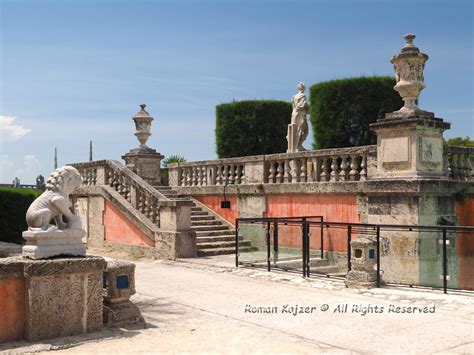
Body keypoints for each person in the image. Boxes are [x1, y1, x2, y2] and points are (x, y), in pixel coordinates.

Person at [290, 82, 309, 151]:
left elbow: (293, 108)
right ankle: (299, 145)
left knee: (295, 129)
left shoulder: (294, 97)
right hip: (301, 114)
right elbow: (303, 105)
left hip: (294, 114)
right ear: (304, 89)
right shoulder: (303, 96)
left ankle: (294, 147)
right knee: (305, 131)